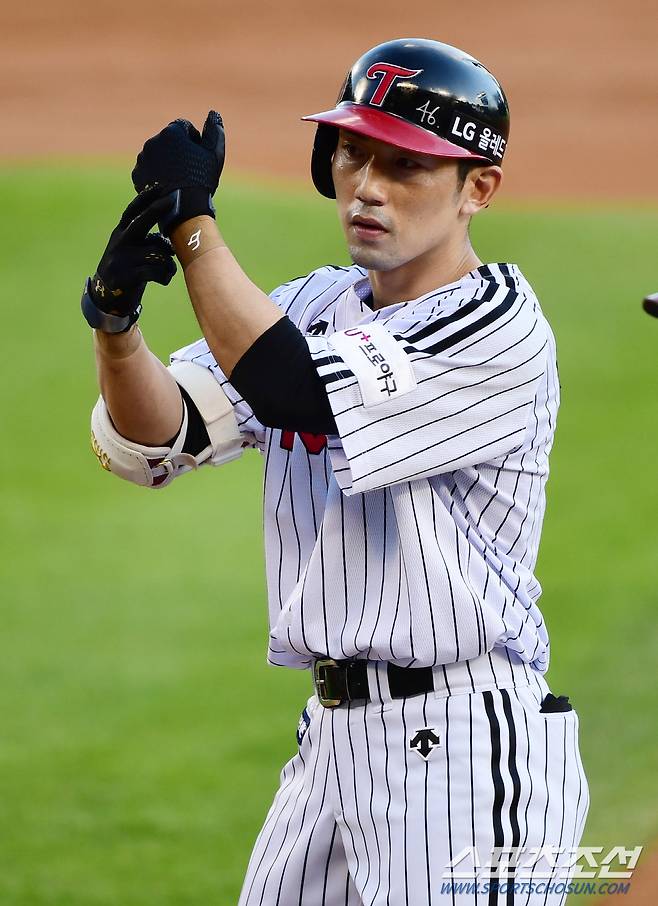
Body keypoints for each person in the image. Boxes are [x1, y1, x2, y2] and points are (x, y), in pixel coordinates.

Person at [83, 37, 588, 906]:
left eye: (406, 164)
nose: (367, 186)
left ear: (478, 188)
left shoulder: (497, 325)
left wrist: (193, 225)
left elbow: (295, 391)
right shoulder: (316, 302)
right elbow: (158, 438)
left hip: (465, 750)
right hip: (331, 745)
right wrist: (117, 327)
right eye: (354, 153)